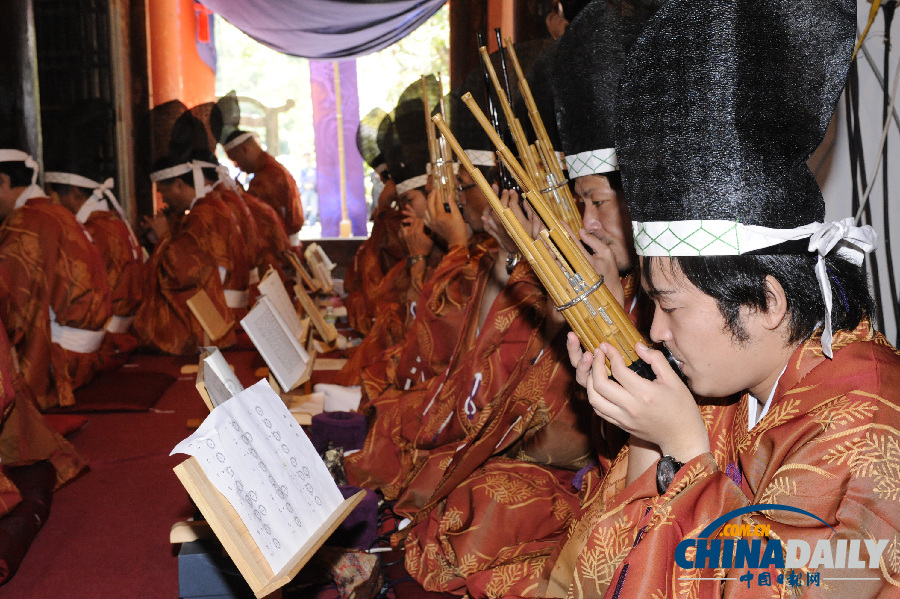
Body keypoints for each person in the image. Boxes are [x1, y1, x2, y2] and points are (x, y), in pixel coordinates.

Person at [544, 0, 900, 597]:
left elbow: (819, 583)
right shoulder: (728, 386)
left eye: (670, 305)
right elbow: (605, 570)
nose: (655, 330)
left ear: (767, 302)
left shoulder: (868, 419)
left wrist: (684, 453)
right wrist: (645, 429)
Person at [0, 148, 111, 409]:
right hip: (85, 354)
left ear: (3, 181)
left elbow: (14, 305)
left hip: (60, 362)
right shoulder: (56, 212)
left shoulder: (26, 222)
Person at [134, 105, 249, 355]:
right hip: (232, 313)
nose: (164, 201)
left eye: (163, 192)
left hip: (218, 320)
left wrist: (164, 238)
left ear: (177, 184)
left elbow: (187, 274)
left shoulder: (204, 214)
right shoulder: (213, 207)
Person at [44, 100, 145, 367]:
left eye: (53, 195)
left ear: (75, 194)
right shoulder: (109, 223)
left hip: (103, 347)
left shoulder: (94, 230)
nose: (51, 203)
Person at [223, 124, 304, 241]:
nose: (237, 166)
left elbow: (255, 217)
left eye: (235, 159)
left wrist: (239, 196)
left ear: (245, 150)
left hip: (280, 247)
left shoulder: (268, 177)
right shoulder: (271, 169)